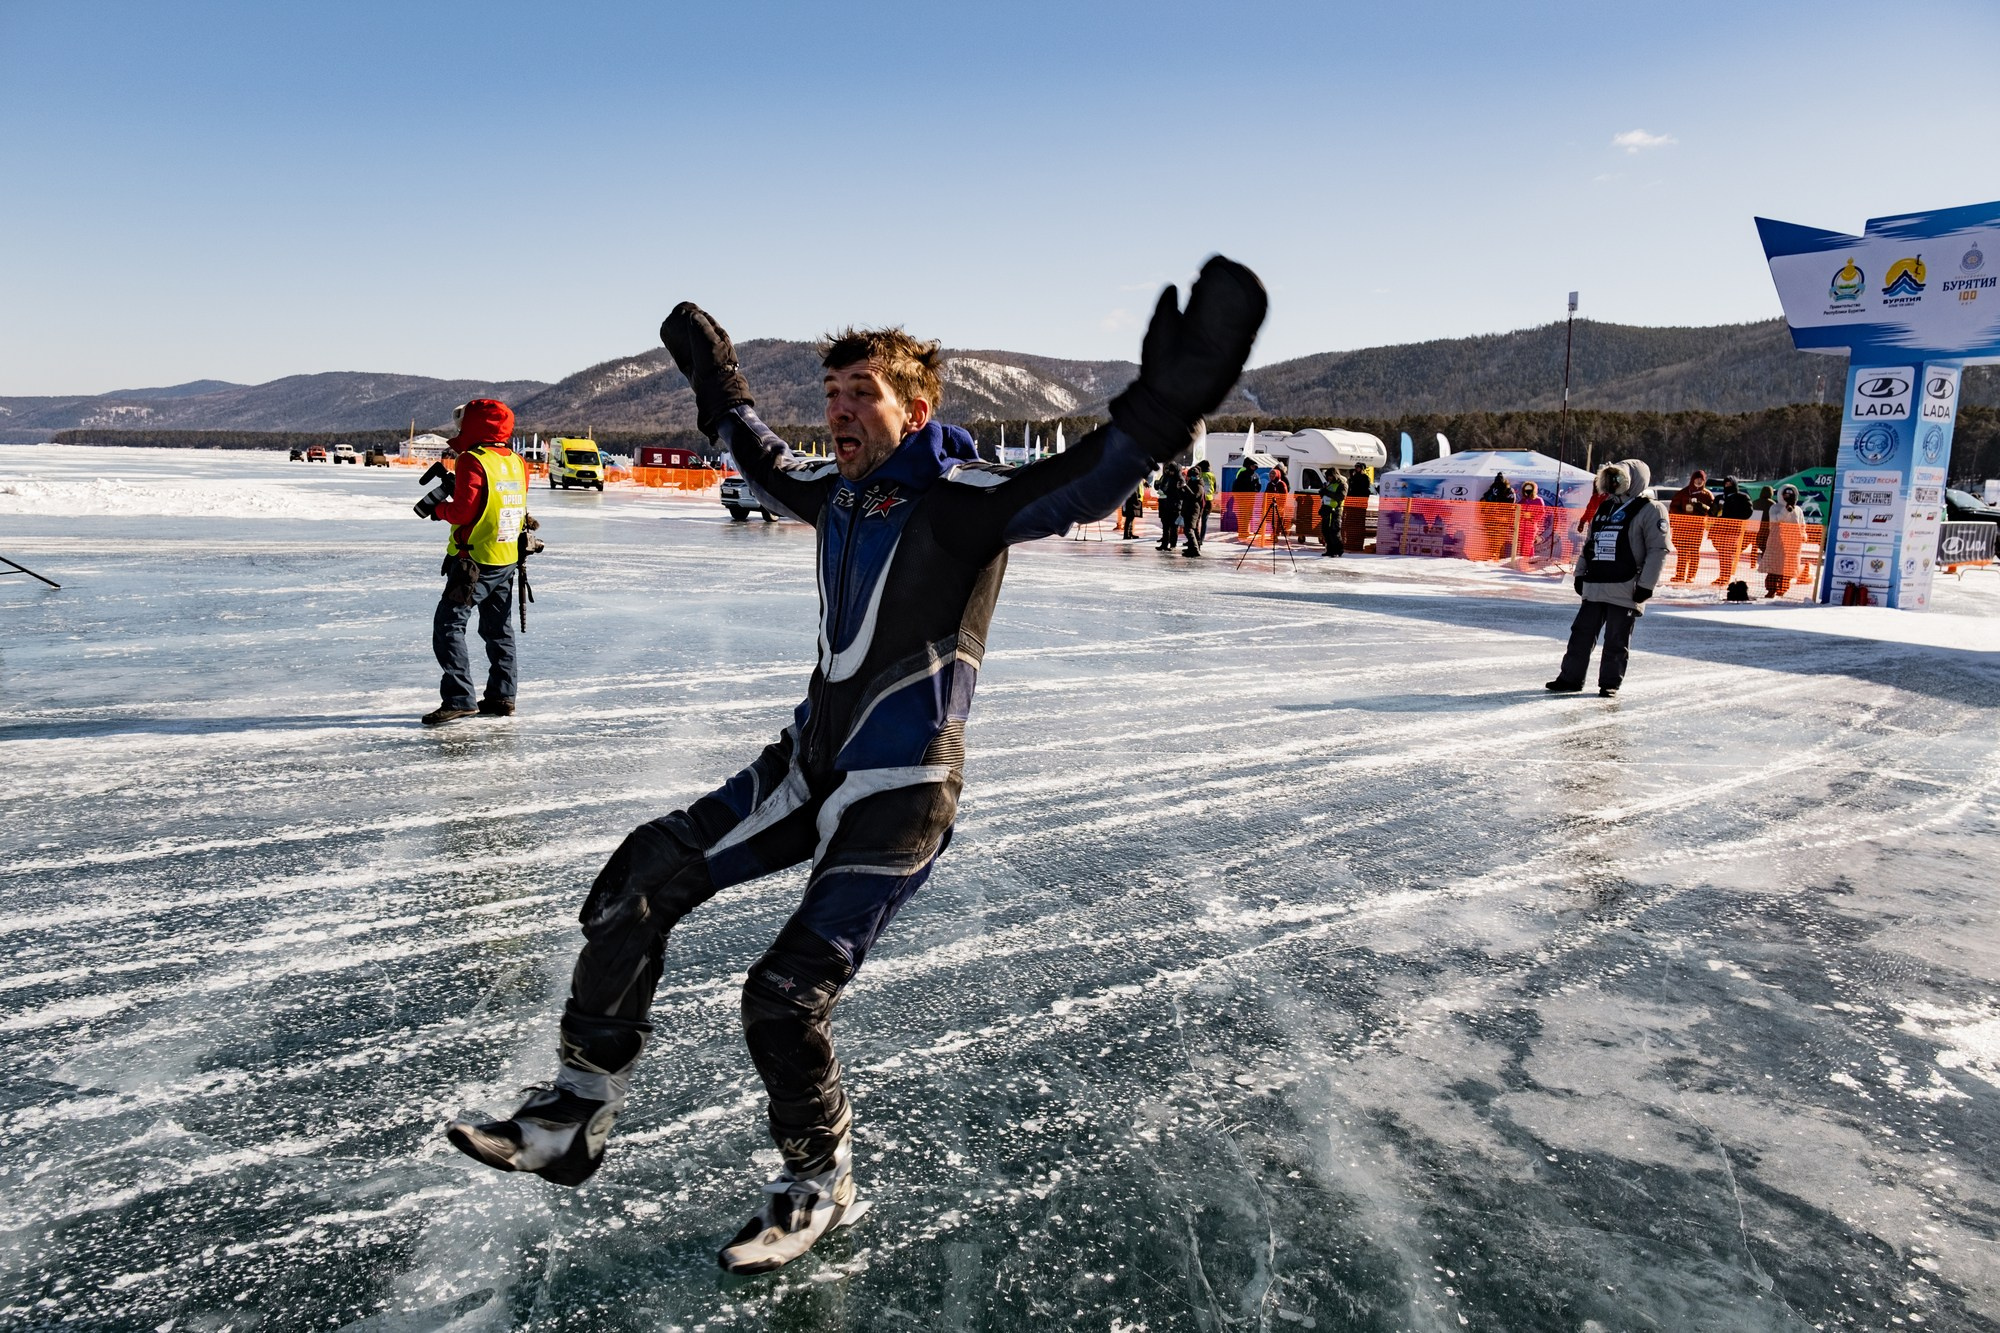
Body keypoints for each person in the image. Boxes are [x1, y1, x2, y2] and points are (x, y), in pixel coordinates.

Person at [444, 258, 1268, 1273]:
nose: (835, 408)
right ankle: (572, 1112)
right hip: (806, 766)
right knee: (635, 881)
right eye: (828, 393)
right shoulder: (835, 492)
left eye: (859, 391)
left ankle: (815, 1177)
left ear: (915, 408)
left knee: (781, 997)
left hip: (900, 791)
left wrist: (1163, 406)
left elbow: (1080, 483)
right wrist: (719, 381)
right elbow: (749, 450)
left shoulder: (963, 498)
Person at [423, 399, 529, 726]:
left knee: (448, 624)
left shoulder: (472, 460)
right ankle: (502, 696)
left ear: (474, 426)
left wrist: (437, 510)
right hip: (507, 558)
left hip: (474, 562)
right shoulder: (516, 461)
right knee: (498, 630)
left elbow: (463, 512)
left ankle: (459, 698)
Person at [1546, 458, 1669, 699]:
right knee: (1580, 634)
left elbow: (1658, 549)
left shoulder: (1651, 509)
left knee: (1616, 639)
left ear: (1633, 480)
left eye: (1619, 477)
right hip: (1595, 583)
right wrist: (1580, 574)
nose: (1614, 482)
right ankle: (1570, 678)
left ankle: (1609, 683)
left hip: (1626, 587)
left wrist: (1646, 585)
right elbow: (1590, 544)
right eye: (1610, 477)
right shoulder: (1604, 507)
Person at [1667, 469, 1716, 583]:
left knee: (1694, 551)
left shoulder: (1707, 495)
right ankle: (1680, 574)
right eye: (1697, 479)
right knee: (1682, 551)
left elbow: (1712, 511)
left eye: (1701, 480)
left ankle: (1691, 575)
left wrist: (1703, 508)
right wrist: (1681, 516)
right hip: (1682, 527)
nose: (1699, 482)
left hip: (1697, 528)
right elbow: (1673, 507)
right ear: (1692, 480)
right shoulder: (1683, 492)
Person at [1759, 483, 1805, 598]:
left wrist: (1803, 535)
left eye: (1791, 494)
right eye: (1786, 494)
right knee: (1774, 568)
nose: (1788, 496)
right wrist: (1786, 509)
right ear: (1781, 494)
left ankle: (1783, 589)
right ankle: (1771, 590)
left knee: (1788, 568)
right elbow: (1776, 520)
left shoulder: (1798, 509)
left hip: (1792, 543)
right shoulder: (1775, 507)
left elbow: (1802, 524)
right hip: (1777, 541)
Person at [1710, 476, 1755, 585]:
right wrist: (1715, 510)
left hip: (1733, 530)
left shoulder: (1742, 497)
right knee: (1722, 553)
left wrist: (1734, 518)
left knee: (1728, 553)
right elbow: (1712, 513)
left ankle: (1725, 577)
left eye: (1730, 484)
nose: (1727, 486)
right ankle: (1723, 575)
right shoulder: (1720, 497)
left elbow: (1748, 512)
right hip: (1719, 530)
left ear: (1734, 485)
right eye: (1726, 484)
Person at [1183, 459, 1213, 556]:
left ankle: (1195, 548)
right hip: (1190, 508)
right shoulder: (1191, 483)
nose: (1191, 477)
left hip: (1196, 508)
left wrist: (1185, 488)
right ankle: (1192, 547)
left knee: (1190, 529)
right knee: (1193, 528)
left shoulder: (1199, 485)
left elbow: (1195, 496)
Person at [1154, 461, 1185, 551]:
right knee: (1166, 525)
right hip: (1168, 504)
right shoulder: (1168, 477)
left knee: (1173, 526)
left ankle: (1172, 544)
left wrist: (1172, 492)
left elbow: (1181, 492)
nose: (1170, 472)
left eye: (1171, 470)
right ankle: (1164, 544)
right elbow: (1163, 488)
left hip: (1176, 505)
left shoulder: (1179, 479)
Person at [1518, 480, 1549, 562]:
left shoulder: (1538, 500)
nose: (1527, 491)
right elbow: (1517, 511)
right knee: (1522, 543)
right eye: (1526, 489)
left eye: (1529, 489)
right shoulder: (1523, 500)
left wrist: (1532, 518)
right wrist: (1521, 516)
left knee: (1528, 543)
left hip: (1531, 526)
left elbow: (1542, 513)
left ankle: (1529, 559)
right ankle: (1522, 559)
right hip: (1522, 526)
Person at [1318, 468, 1347, 556]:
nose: (1329, 478)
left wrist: (1326, 492)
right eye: (1328, 476)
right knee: (1325, 530)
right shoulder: (1329, 484)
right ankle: (1330, 550)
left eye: (1330, 476)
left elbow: (1340, 497)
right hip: (1326, 509)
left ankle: (1338, 550)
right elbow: (1325, 495)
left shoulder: (1342, 484)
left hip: (1335, 510)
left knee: (1334, 531)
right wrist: (1322, 492)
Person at [1343, 465, 1371, 552]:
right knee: (1350, 524)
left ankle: (1357, 544)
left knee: (1358, 524)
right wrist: (1351, 477)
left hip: (1360, 504)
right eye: (1356, 467)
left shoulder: (1365, 478)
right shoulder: (1353, 477)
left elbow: (1365, 490)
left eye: (1358, 468)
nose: (1356, 469)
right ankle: (1348, 543)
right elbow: (1350, 489)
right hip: (1351, 504)